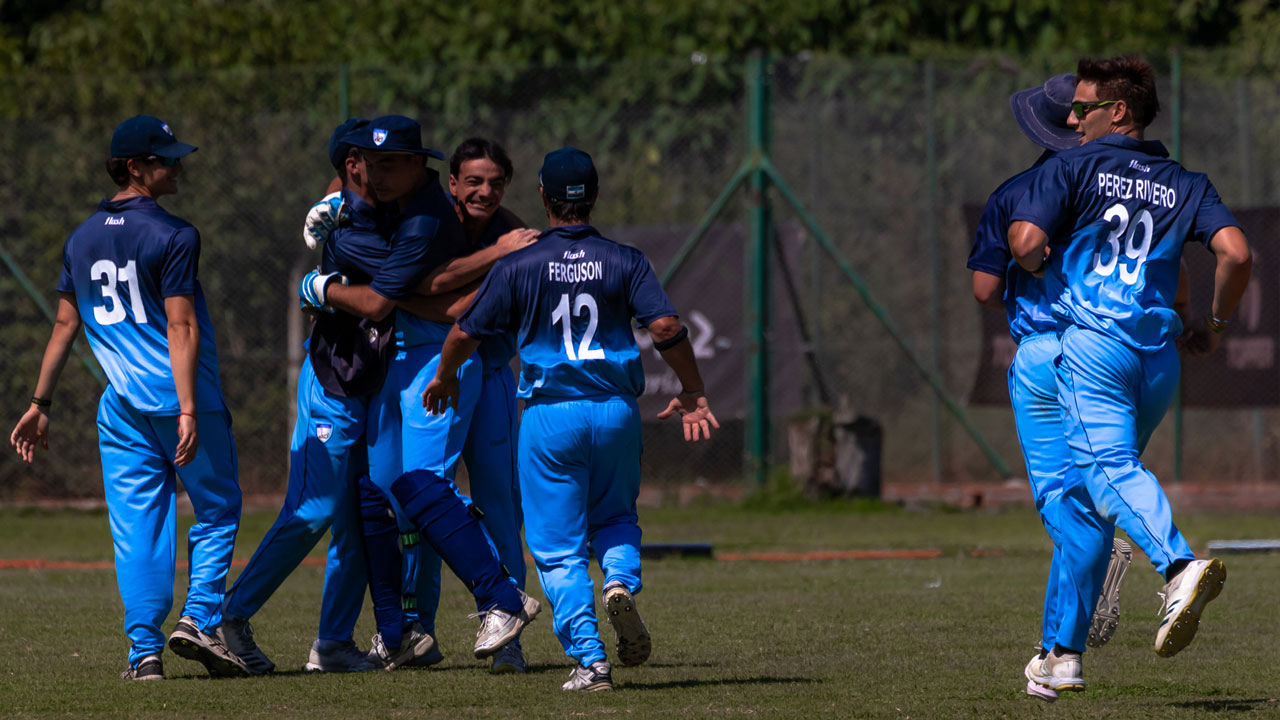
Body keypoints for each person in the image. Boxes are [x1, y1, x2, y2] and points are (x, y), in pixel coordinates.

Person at [423, 147, 719, 691]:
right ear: (596, 196)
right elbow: (667, 327)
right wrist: (693, 389)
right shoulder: (625, 259)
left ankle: (591, 661)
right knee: (615, 517)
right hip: (614, 412)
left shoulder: (517, 263)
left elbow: (466, 329)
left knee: (557, 548)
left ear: (542, 196)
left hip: (550, 416)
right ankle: (620, 583)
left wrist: (443, 376)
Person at [1008, 56, 1252, 680]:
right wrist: (1217, 327)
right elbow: (1235, 254)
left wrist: (1040, 270)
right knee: (1095, 497)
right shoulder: (1185, 181)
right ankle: (1061, 653)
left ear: (1117, 112)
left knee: (1108, 471)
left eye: (1083, 108)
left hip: (1095, 349)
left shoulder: (1073, 164)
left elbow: (1026, 243)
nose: (1071, 118)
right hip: (1158, 362)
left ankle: (1178, 567)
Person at [9, 116, 246, 680]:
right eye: (166, 159)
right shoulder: (174, 234)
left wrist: (41, 402)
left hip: (120, 404)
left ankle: (144, 654)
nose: (178, 166)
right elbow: (180, 327)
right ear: (135, 168)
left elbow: (65, 326)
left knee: (138, 527)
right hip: (181, 400)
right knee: (218, 512)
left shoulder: (82, 236)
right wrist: (188, 408)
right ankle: (198, 619)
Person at [300, 115, 541, 666]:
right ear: (450, 181)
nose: (485, 191)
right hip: (414, 371)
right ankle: (412, 629)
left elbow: (460, 308)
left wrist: (390, 292)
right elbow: (358, 184)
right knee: (403, 498)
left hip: (476, 371)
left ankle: (506, 631)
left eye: (495, 182)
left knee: (489, 503)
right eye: (474, 181)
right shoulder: (421, 214)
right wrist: (335, 203)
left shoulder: (512, 229)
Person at [220, 118, 438, 674]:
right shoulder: (351, 228)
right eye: (374, 161)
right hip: (335, 380)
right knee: (315, 510)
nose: (389, 170)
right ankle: (228, 619)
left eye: (397, 161)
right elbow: (382, 300)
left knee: (360, 519)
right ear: (352, 166)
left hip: (373, 384)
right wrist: (320, 280)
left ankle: (335, 642)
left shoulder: (372, 211)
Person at [969, 74, 1136, 702]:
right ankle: (1055, 651)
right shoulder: (1127, 187)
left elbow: (985, 290)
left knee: (1064, 503)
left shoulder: (1018, 191)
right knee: (1097, 488)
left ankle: (1070, 624)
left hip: (1045, 351)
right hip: (1117, 351)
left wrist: (1026, 263)